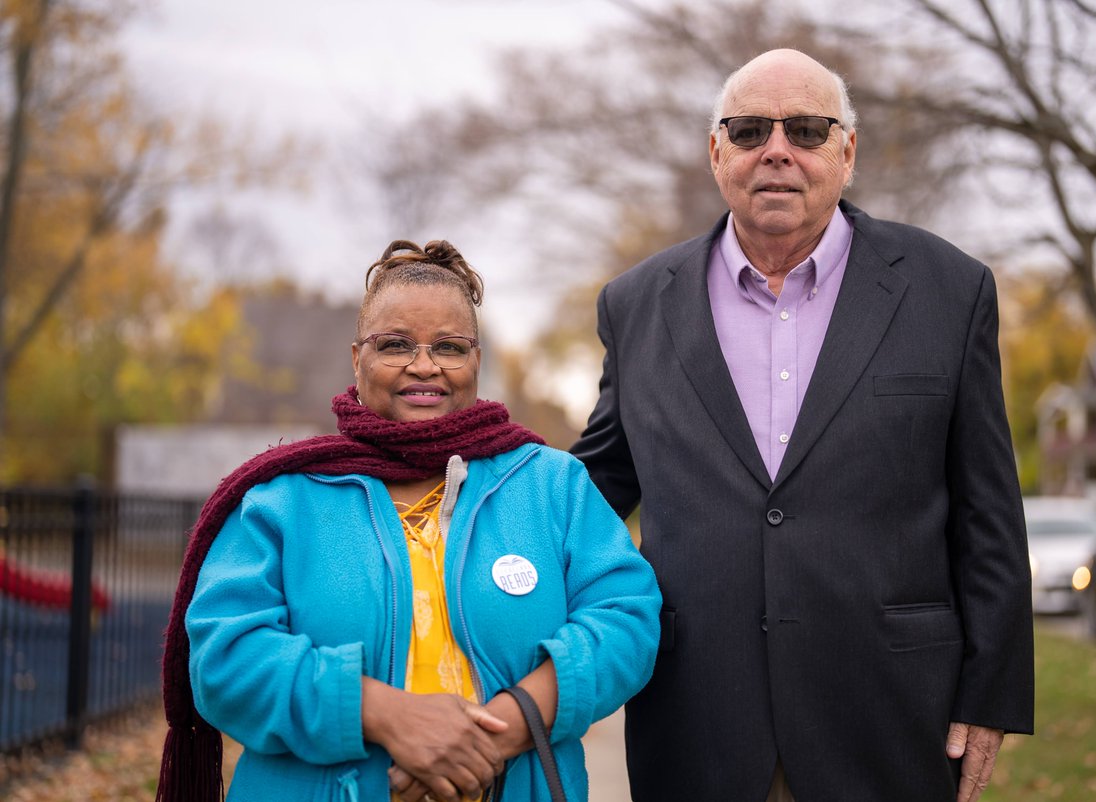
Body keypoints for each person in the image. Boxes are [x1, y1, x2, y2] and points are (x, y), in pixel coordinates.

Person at [570, 48, 1034, 802]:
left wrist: (992, 693)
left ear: (847, 151)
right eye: (750, 129)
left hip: (890, 716)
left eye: (808, 130)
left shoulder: (950, 291)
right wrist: (470, 502)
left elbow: (989, 513)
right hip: (698, 721)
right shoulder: (635, 304)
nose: (777, 150)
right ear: (716, 152)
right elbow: (592, 487)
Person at [157, 240, 661, 802]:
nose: (425, 366)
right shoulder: (284, 500)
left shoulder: (552, 485)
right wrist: (383, 715)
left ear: (476, 360)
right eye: (395, 345)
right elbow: (224, 659)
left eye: (450, 347)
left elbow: (626, 619)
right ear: (357, 358)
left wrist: (500, 732)